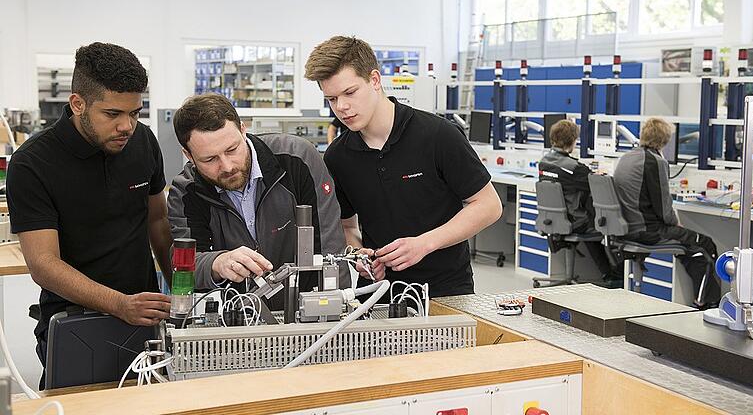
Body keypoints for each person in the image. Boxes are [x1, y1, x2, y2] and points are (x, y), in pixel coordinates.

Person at [6, 42, 173, 384]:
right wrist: (119, 304)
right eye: (113, 114)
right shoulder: (33, 163)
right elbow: (44, 265)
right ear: (78, 104)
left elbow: (157, 221)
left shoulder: (143, 142)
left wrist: (184, 295)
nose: (127, 126)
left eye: (135, 113)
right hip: (77, 323)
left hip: (145, 317)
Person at [305, 36, 502, 298]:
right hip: (378, 296)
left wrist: (424, 244)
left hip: (446, 292)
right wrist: (357, 255)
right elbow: (347, 228)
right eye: (331, 99)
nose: (341, 107)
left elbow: (488, 205)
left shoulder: (438, 135)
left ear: (375, 80)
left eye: (350, 93)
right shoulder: (338, 156)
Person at [167, 93, 347, 308]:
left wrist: (337, 314)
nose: (227, 166)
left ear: (243, 129)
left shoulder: (297, 157)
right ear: (188, 154)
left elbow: (330, 244)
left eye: (232, 149)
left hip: (307, 310)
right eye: (210, 159)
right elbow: (186, 265)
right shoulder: (186, 191)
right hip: (236, 318)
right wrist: (217, 262)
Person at [613, 117, 721, 307]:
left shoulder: (627, 157)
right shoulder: (655, 162)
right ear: (664, 140)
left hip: (628, 227)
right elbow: (663, 208)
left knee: (690, 246)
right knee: (705, 244)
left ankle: (697, 298)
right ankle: (707, 304)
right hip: (648, 230)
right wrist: (675, 223)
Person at [538, 119, 622, 285]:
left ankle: (608, 273)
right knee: (606, 224)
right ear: (572, 141)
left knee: (591, 222)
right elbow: (594, 184)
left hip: (557, 220)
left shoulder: (544, 161)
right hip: (575, 221)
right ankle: (615, 274)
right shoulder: (575, 168)